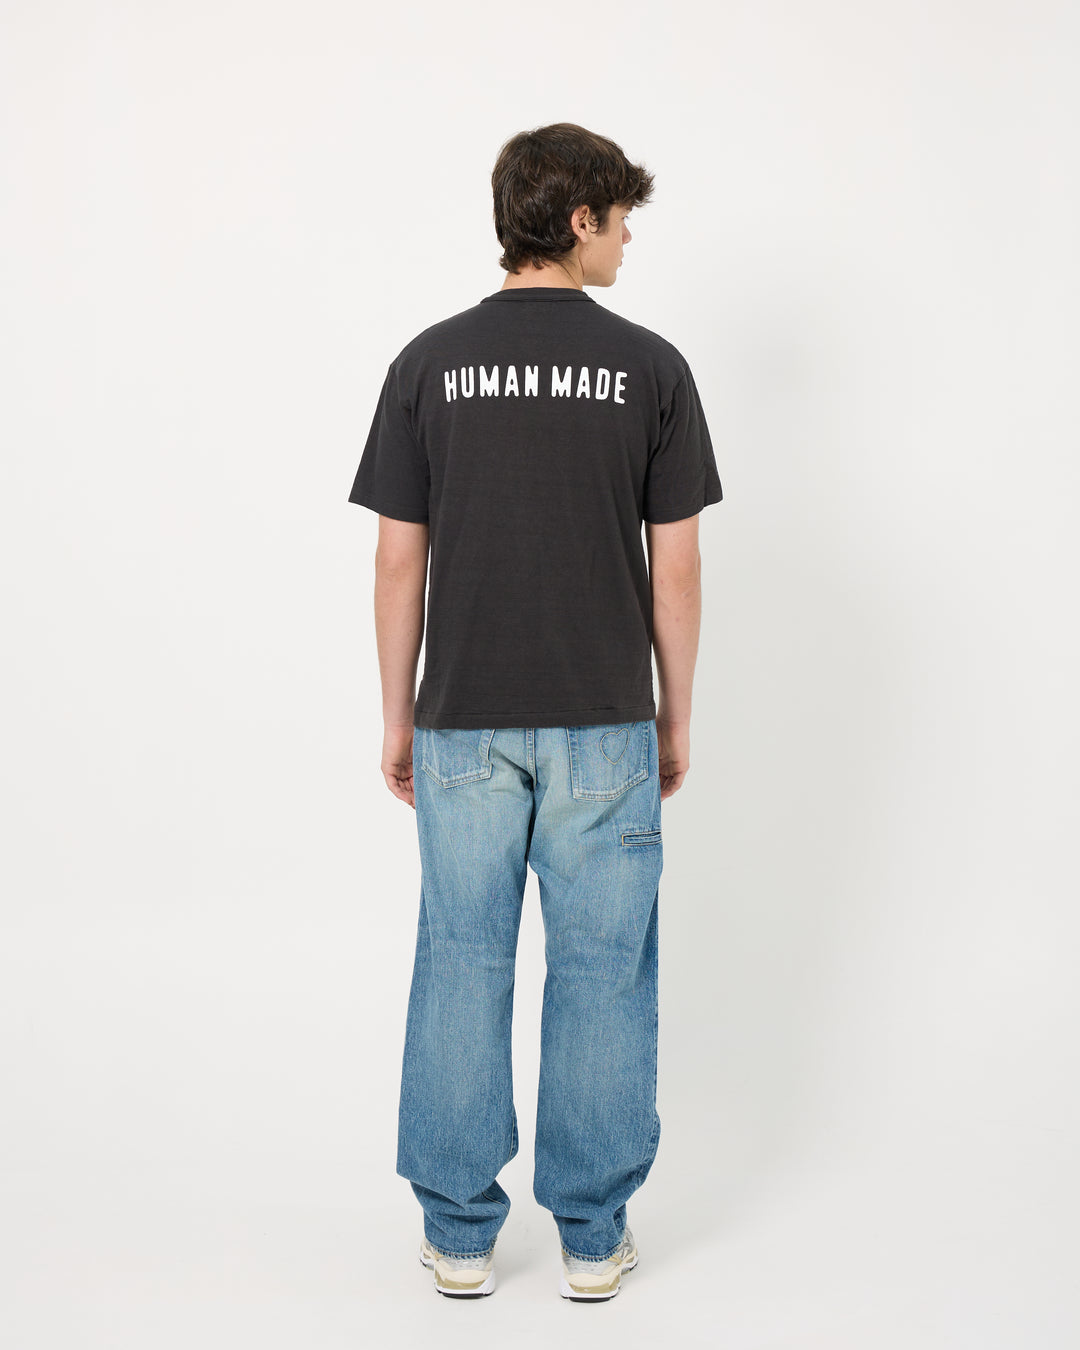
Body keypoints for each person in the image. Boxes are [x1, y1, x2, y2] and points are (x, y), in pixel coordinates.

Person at [347, 122, 723, 1302]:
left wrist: (398, 716)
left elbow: (397, 561)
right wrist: (674, 715)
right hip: (606, 718)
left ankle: (459, 1237)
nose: (628, 242)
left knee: (461, 962)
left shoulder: (427, 364)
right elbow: (676, 568)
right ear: (578, 219)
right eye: (622, 220)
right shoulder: (652, 369)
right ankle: (592, 1238)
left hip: (461, 716)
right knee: (602, 971)